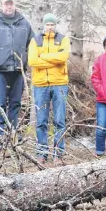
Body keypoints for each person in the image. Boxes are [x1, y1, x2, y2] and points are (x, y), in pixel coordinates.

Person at [0, 0, 35, 153]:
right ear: (1, 5)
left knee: (15, 104)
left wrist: (24, 59)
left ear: (15, 5)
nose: (9, 6)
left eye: (11, 4)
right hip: (0, 70)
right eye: (6, 4)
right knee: (0, 103)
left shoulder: (24, 23)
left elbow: (31, 43)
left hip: (18, 70)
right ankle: (0, 137)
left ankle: (13, 136)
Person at [28, 13, 70, 164]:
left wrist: (43, 56)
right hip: (41, 85)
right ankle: (42, 153)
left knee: (59, 120)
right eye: (48, 24)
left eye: (52, 24)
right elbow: (32, 61)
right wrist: (53, 59)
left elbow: (63, 58)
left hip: (59, 84)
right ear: (43, 25)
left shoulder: (63, 39)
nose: (50, 27)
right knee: (41, 121)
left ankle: (58, 154)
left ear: (55, 25)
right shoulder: (35, 40)